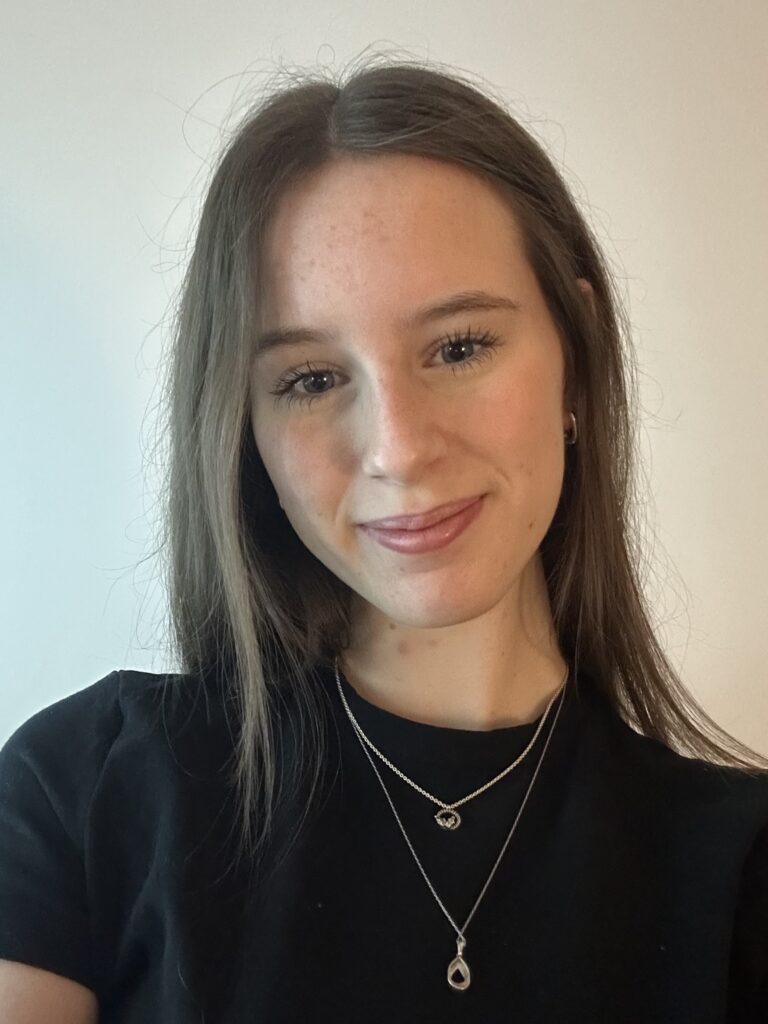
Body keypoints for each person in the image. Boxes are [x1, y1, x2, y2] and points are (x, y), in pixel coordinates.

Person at [1, 56, 766, 1023]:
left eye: (459, 347)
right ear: (245, 433)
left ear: (572, 360)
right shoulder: (87, 792)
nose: (398, 450)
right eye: (312, 380)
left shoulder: (739, 867)